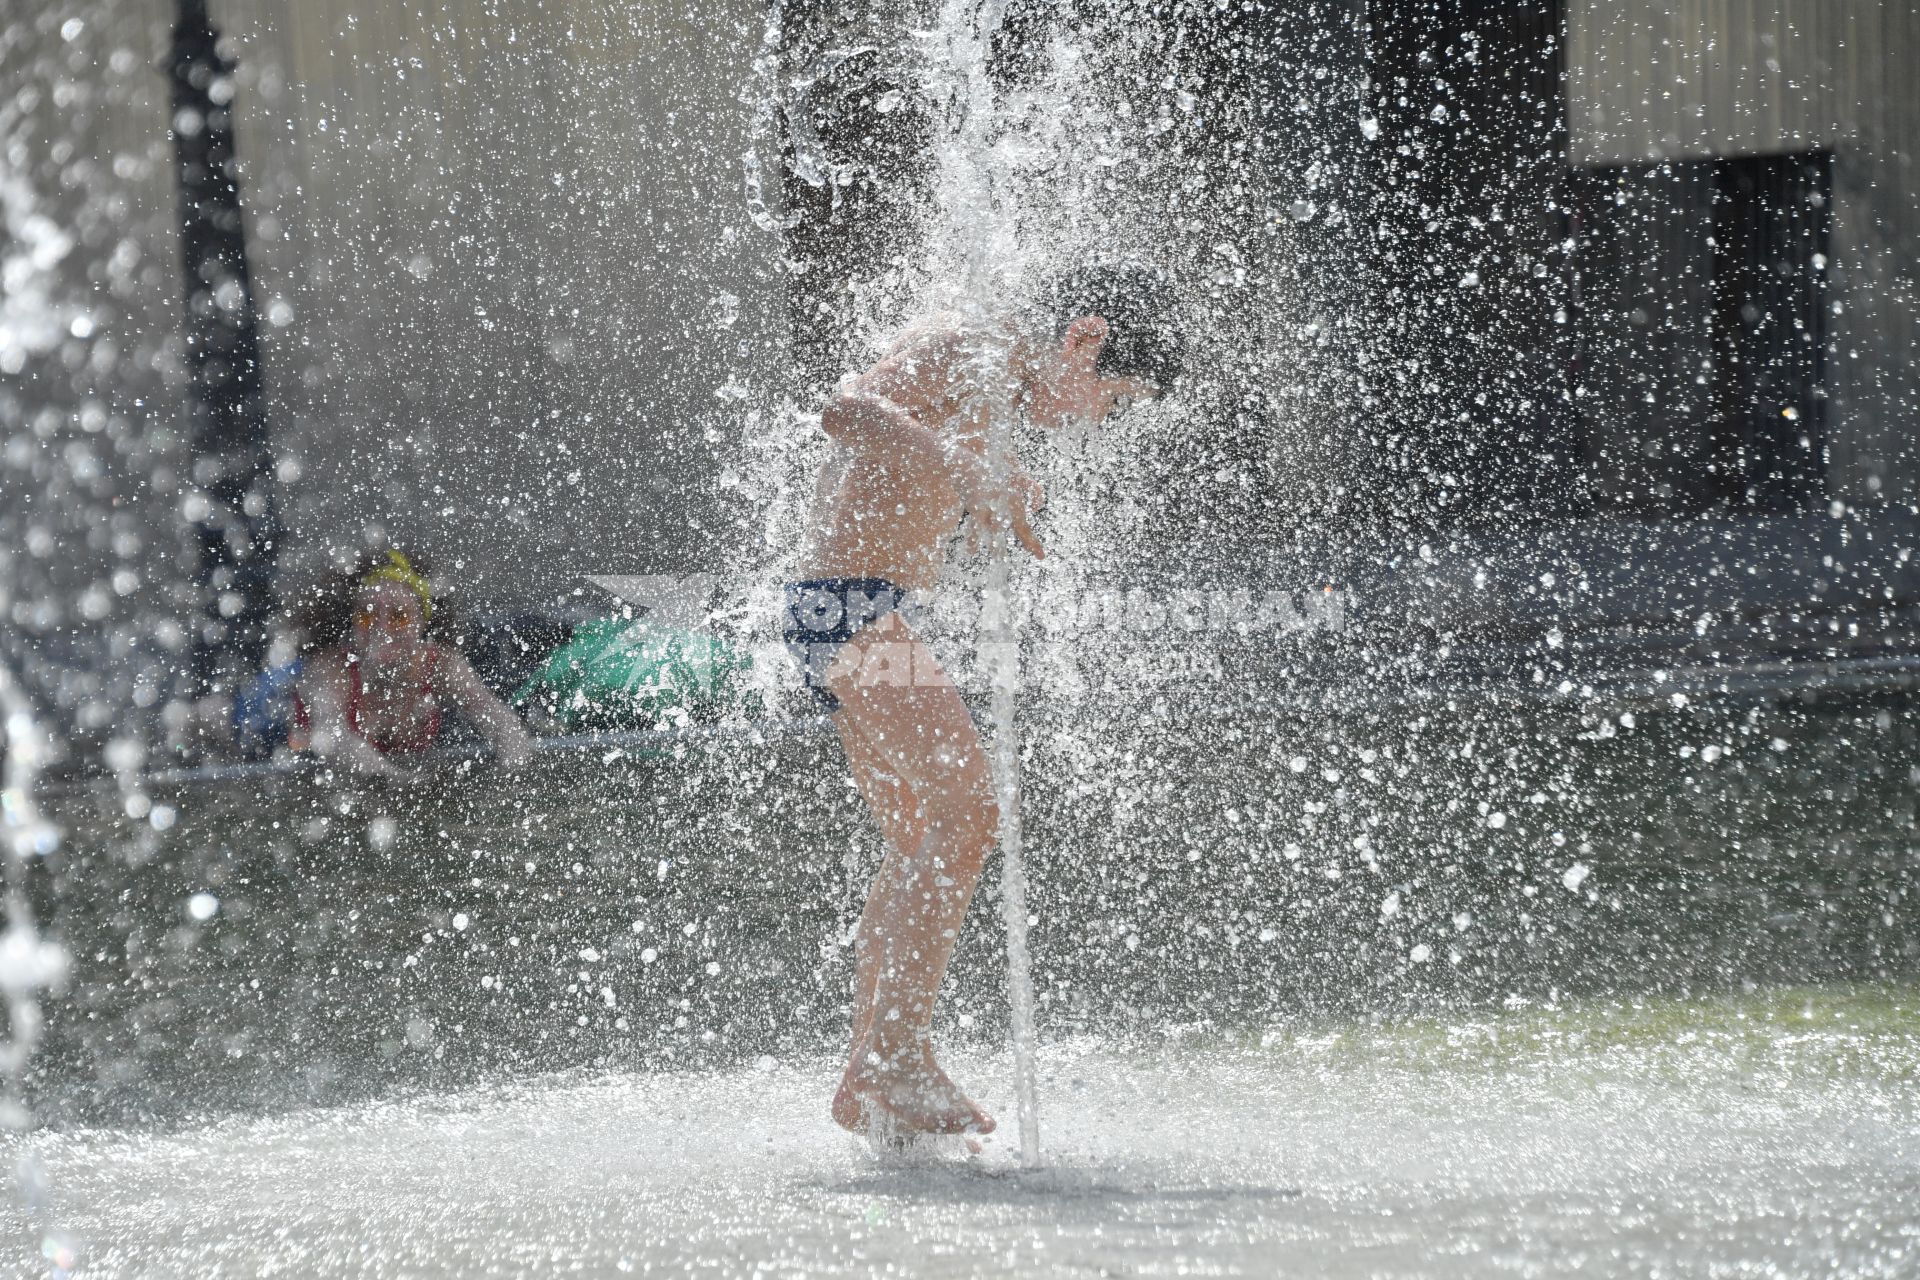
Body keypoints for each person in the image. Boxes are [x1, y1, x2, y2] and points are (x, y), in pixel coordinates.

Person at [784, 264, 1183, 1138]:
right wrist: (966, 469)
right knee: (969, 817)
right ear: (1085, 340)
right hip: (849, 607)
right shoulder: (972, 348)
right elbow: (843, 411)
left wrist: (985, 492)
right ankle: (896, 1055)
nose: (1093, 423)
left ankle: (871, 1070)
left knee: (921, 838)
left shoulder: (993, 367)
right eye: (1107, 401)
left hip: (854, 608)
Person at [295, 549, 535, 778]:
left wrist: (512, 773)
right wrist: (399, 781)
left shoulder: (441, 664)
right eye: (367, 616)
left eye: (399, 616)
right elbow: (334, 740)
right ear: (351, 623)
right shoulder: (331, 668)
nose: (382, 629)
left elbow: (503, 724)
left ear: (423, 623)